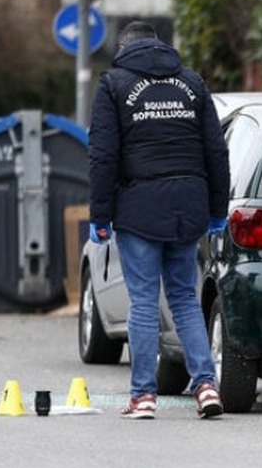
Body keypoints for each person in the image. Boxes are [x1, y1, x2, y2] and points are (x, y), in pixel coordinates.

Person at [88, 21, 230, 419]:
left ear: (123, 47)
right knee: (185, 298)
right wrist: (217, 208)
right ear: (159, 44)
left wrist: (99, 214)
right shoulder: (193, 83)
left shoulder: (113, 85)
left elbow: (103, 154)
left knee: (145, 300)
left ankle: (143, 396)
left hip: (139, 204)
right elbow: (216, 152)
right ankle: (206, 387)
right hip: (189, 204)